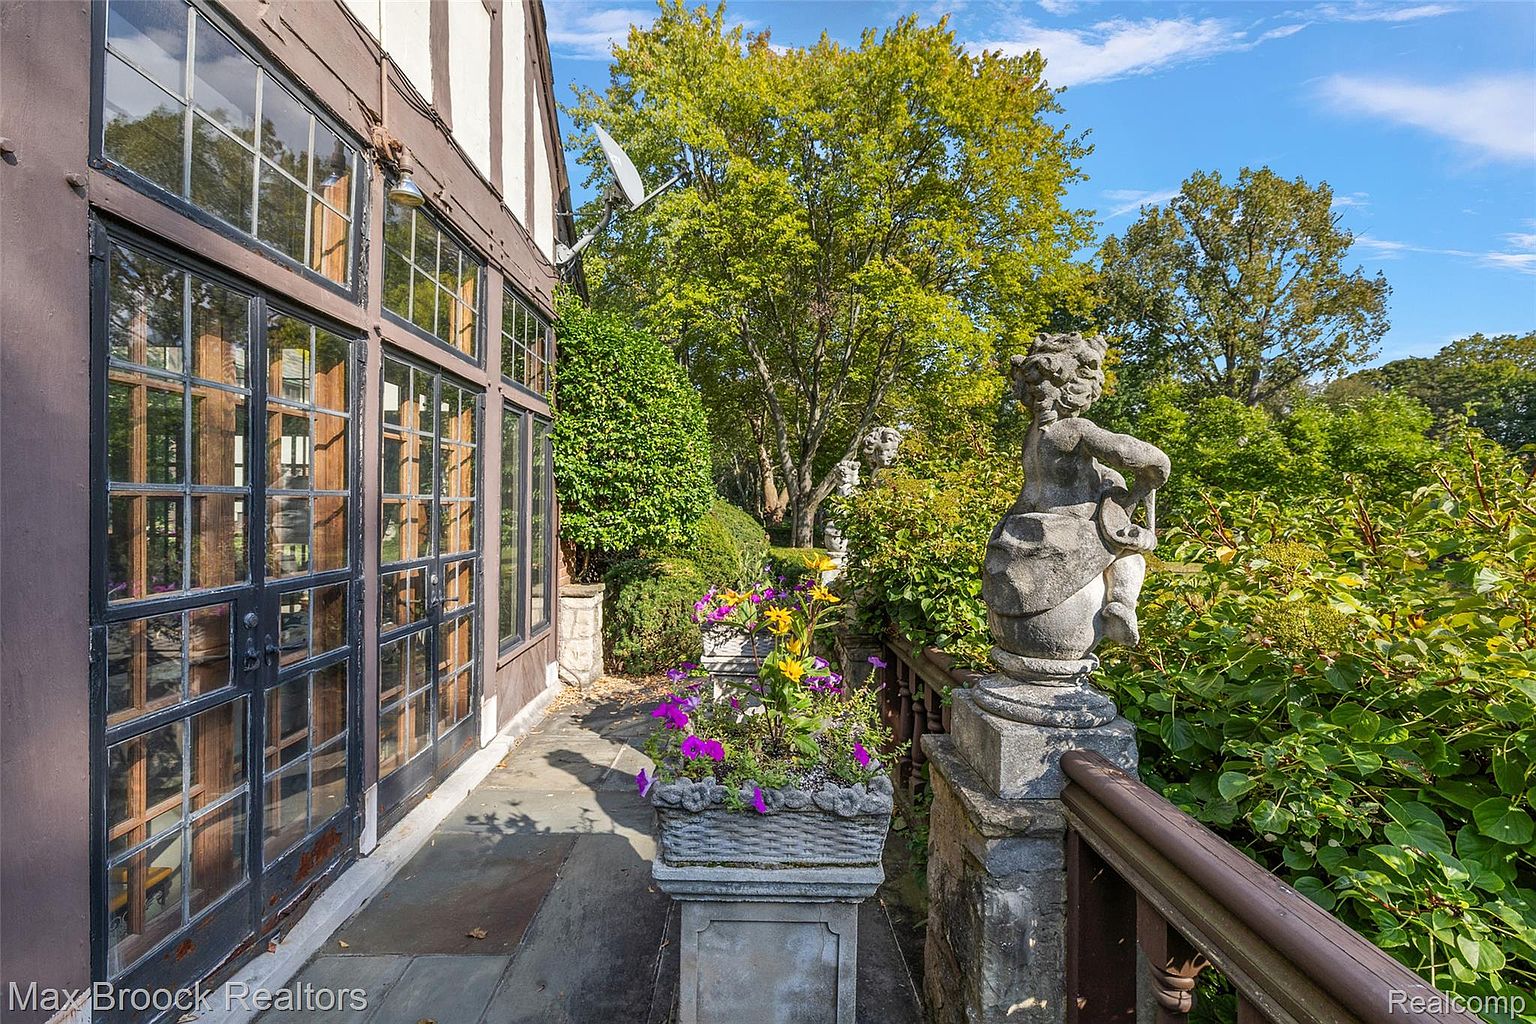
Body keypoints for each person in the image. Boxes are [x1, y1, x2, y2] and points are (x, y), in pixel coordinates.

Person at [984, 333, 1170, 655]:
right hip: (1071, 530)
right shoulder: (1075, 430)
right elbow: (1124, 449)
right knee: (1128, 548)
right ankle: (1122, 604)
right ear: (1075, 390)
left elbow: (1031, 493)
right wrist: (1159, 463)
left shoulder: (1032, 438)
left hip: (1026, 525)